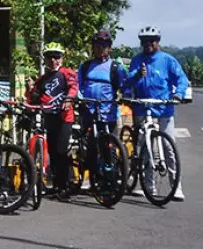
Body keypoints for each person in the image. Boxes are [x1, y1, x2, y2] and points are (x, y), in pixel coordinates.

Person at [123, 26, 190, 200]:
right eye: (144, 41)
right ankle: (148, 186)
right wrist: (137, 75)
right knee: (145, 149)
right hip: (142, 108)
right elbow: (127, 82)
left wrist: (178, 94)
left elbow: (181, 79)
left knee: (168, 147)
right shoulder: (137, 60)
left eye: (151, 41)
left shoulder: (168, 60)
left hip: (163, 108)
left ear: (158, 42)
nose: (148, 44)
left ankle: (176, 186)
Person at [26, 42, 78, 201]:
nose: (53, 60)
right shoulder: (42, 79)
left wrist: (68, 99)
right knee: (53, 152)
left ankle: (65, 186)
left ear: (62, 58)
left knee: (61, 151)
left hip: (64, 117)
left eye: (56, 57)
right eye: (49, 57)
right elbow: (33, 97)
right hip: (49, 117)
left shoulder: (67, 73)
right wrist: (29, 90)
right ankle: (56, 185)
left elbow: (73, 87)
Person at [78, 30, 128, 184]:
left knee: (109, 147)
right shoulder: (86, 66)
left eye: (104, 45)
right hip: (89, 111)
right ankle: (91, 175)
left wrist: (123, 97)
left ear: (109, 48)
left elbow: (124, 87)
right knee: (89, 145)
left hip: (108, 112)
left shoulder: (116, 67)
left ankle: (112, 176)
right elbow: (78, 86)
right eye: (97, 45)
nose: (100, 48)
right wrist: (79, 98)